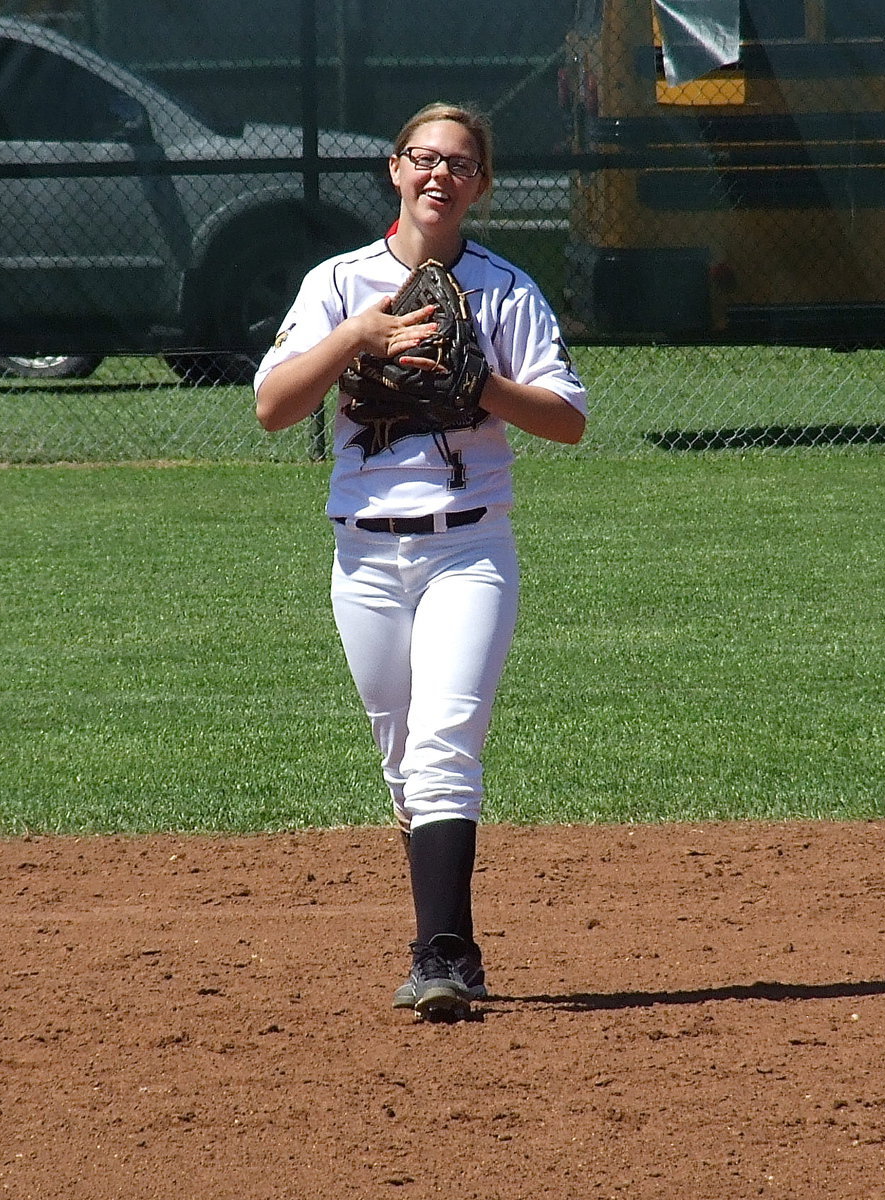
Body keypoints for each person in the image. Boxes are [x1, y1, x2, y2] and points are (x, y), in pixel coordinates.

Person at [254, 101, 587, 1022]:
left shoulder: (506, 290)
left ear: (481, 183)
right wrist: (355, 339)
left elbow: (568, 420)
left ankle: (444, 954)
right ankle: (443, 942)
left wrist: (477, 381)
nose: (440, 174)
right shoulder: (338, 282)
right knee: (403, 765)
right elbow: (274, 407)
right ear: (395, 170)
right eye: (424, 158)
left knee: (445, 746)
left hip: (469, 547)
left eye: (461, 163)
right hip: (362, 556)